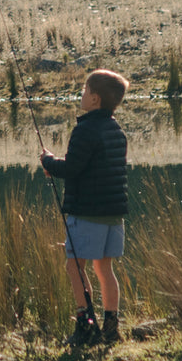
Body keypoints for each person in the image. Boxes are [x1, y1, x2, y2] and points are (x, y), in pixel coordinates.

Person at [39, 69, 131, 346]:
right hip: (114, 213)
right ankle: (111, 328)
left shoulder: (84, 130)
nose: (81, 94)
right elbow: (92, 167)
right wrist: (57, 166)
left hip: (89, 212)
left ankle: (86, 326)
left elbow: (72, 168)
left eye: (84, 90)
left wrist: (48, 162)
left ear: (94, 98)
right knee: (105, 269)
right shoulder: (116, 130)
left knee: (74, 267)